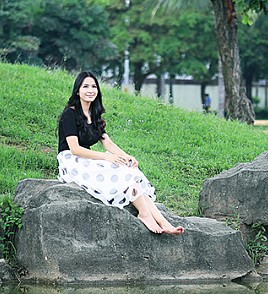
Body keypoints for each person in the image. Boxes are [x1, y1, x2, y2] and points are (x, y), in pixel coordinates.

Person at [57, 71, 184, 235]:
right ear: (77, 90)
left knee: (129, 170)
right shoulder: (70, 114)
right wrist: (106, 157)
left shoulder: (93, 114)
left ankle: (163, 221)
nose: (90, 90)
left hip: (86, 158)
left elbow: (107, 142)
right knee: (120, 172)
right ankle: (145, 214)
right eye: (85, 86)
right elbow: (75, 149)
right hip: (71, 160)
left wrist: (127, 157)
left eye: (94, 86)